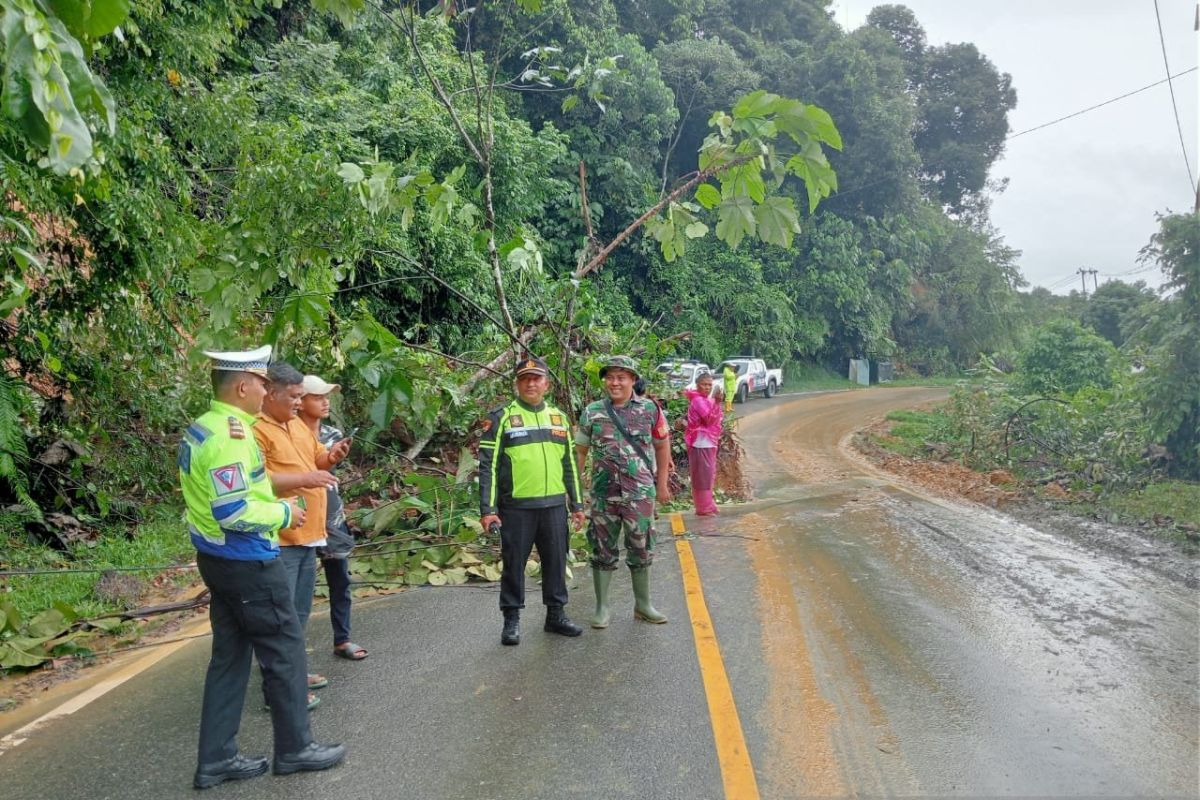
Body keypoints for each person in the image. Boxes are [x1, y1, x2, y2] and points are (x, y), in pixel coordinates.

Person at [181, 345, 344, 789]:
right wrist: (285, 515)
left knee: (229, 659)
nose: (265, 391)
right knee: (285, 651)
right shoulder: (230, 436)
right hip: (248, 559)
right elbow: (233, 510)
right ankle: (295, 749)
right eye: (262, 385)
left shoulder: (204, 427)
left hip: (218, 560)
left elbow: (244, 489)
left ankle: (216, 759)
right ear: (242, 386)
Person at [253, 363, 351, 708]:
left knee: (299, 614)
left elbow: (316, 460)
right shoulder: (256, 431)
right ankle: (279, 690)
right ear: (271, 393)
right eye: (294, 397)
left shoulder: (295, 425)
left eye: (300, 396)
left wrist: (330, 458)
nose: (298, 403)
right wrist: (305, 480)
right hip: (280, 538)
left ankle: (293, 673)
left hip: (310, 534)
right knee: (280, 617)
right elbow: (256, 482)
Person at [478, 355, 586, 646]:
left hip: (553, 506)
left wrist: (577, 504)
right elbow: (487, 465)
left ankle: (556, 615)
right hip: (516, 508)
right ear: (517, 384)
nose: (531, 383)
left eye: (536, 378)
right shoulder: (501, 418)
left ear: (546, 385)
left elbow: (570, 466)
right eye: (525, 379)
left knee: (555, 561)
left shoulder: (559, 418)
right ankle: (511, 619)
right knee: (514, 565)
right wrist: (488, 509)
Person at [575, 355, 672, 628]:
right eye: (610, 377)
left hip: (640, 494)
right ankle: (602, 608)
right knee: (602, 550)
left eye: (621, 377)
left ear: (632, 380)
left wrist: (662, 484)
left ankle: (643, 606)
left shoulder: (650, 410)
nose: (614, 382)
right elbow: (580, 453)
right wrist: (575, 490)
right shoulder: (592, 411)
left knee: (641, 548)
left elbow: (662, 447)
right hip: (603, 495)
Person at [297, 375, 367, 662]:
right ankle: (292, 655)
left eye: (327, 396)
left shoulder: (332, 434)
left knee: (340, 579)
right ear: (300, 401)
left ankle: (343, 638)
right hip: (298, 516)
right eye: (317, 397)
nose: (325, 402)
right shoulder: (287, 434)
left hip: (330, 513)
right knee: (298, 588)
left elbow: (331, 474)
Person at [684, 371, 723, 516]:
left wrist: (716, 402)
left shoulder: (706, 400)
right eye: (704, 385)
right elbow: (708, 419)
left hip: (707, 442)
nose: (707, 388)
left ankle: (708, 504)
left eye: (710, 385)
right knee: (702, 476)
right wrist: (717, 402)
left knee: (707, 474)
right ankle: (703, 507)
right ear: (697, 385)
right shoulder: (698, 401)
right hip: (700, 443)